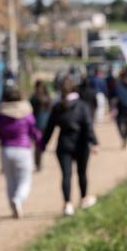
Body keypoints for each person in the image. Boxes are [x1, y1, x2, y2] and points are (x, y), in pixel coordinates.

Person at [42, 76, 98, 216]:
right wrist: (94, 142)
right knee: (82, 173)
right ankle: (84, 198)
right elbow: (88, 126)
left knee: (66, 175)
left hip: (64, 144)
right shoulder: (82, 105)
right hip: (81, 143)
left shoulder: (58, 107)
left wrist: (43, 144)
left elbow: (49, 128)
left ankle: (67, 204)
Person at [0, 86, 41, 218]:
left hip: (6, 151)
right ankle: (18, 200)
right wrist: (41, 144)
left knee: (10, 181)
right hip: (23, 150)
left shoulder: (0, 116)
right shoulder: (27, 114)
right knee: (25, 180)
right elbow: (34, 132)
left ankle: (13, 205)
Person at [29, 79, 52, 171]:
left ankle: (36, 162)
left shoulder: (34, 98)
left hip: (35, 124)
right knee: (40, 145)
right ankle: (38, 163)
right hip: (45, 124)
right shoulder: (47, 98)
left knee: (34, 145)